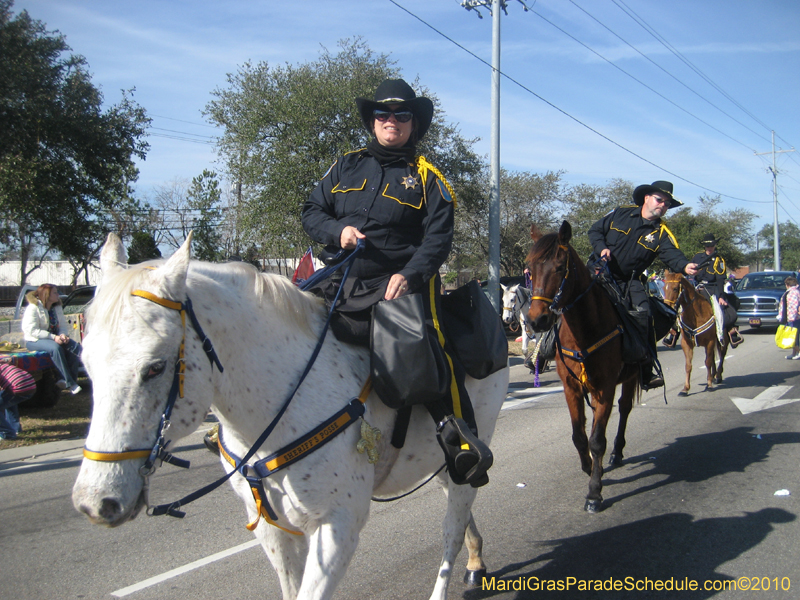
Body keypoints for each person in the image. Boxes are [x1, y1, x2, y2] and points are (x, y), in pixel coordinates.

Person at [301, 78, 491, 486]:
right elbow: (312, 211)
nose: (392, 121)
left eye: (401, 115)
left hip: (397, 285)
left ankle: (459, 440)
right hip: (341, 277)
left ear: (413, 125)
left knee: (425, 344)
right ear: (372, 121)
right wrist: (339, 233)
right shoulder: (344, 165)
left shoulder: (429, 179)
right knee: (281, 315)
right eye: (383, 114)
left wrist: (408, 275)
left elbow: (439, 240)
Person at [588, 180, 698, 390]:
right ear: (646, 198)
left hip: (630, 281)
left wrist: (685, 266)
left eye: (667, 203)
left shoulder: (662, 233)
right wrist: (602, 248)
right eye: (660, 199)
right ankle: (540, 352)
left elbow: (673, 255)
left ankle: (647, 371)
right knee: (565, 296)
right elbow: (594, 231)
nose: (663, 205)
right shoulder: (620, 212)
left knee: (645, 315)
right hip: (598, 272)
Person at [22, 284, 82, 394]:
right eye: (55, 292)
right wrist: (54, 337)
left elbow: (63, 326)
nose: (58, 295)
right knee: (55, 348)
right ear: (47, 294)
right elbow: (32, 331)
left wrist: (63, 335)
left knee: (75, 347)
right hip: (34, 340)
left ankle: (66, 380)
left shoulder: (56, 307)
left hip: (54, 338)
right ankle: (70, 383)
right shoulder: (33, 307)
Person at [688, 233, 743, 347]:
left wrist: (721, 296)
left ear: (714, 245)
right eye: (707, 246)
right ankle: (674, 332)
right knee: (679, 304)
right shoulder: (697, 257)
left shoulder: (719, 260)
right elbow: (689, 272)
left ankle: (731, 330)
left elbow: (719, 280)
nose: (709, 248)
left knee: (726, 308)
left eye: (711, 245)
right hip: (697, 286)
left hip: (711, 288)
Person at [0, 363, 36, 440]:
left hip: (19, 388)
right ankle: (15, 428)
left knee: (6, 398)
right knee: (8, 401)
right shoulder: (2, 364)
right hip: (31, 386)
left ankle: (8, 433)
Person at [777, 276, 800, 360]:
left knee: (793, 336)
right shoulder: (792, 291)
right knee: (794, 336)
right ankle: (794, 353)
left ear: (787, 284)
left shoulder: (793, 292)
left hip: (793, 318)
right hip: (790, 317)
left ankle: (798, 352)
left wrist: (792, 317)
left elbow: (793, 306)